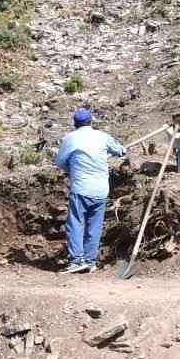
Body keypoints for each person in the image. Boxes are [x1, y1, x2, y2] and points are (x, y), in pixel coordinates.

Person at [55, 107, 126, 274]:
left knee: (75, 224)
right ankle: (90, 261)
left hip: (82, 188)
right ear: (91, 121)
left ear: (75, 123)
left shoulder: (70, 139)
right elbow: (121, 150)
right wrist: (121, 150)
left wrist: (71, 169)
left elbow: (59, 162)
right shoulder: (102, 137)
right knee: (94, 225)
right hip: (101, 189)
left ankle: (76, 261)